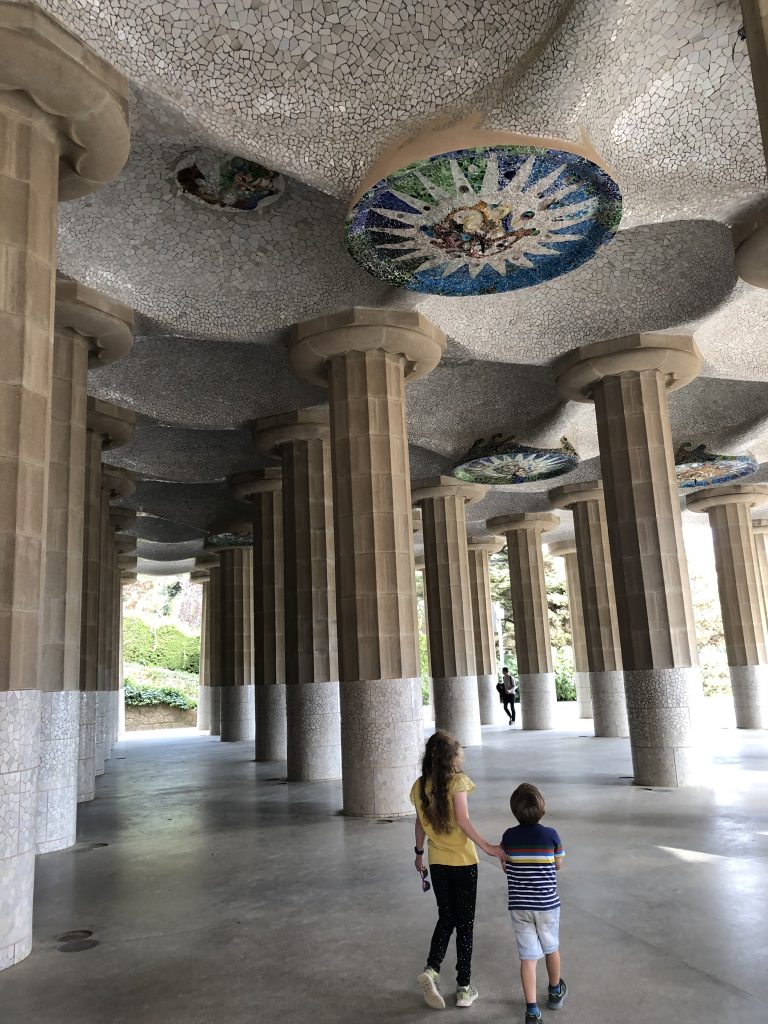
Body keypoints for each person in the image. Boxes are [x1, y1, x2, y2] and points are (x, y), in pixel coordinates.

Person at [410, 731, 506, 1010]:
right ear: (452, 758)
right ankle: (464, 988)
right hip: (463, 863)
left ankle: (431, 969)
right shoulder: (457, 782)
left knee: (446, 917)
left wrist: (418, 853)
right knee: (465, 925)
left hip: (437, 862)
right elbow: (463, 820)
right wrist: (488, 847)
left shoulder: (419, 786)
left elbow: (419, 823)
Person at [501, 783, 567, 1022]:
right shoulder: (551, 835)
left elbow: (505, 865)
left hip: (520, 906)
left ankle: (531, 1010)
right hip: (547, 905)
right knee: (551, 948)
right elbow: (558, 864)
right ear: (542, 808)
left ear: (514, 811)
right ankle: (555, 991)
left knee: (528, 957)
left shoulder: (509, 836)